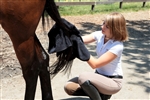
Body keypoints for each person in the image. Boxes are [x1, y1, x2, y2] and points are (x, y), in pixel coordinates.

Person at [64, 12, 128, 100]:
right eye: (103, 23)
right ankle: (101, 96)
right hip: (99, 78)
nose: (102, 27)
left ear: (115, 29)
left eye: (107, 26)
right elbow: (80, 40)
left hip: (113, 82)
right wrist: (67, 35)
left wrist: (83, 51)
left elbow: (95, 64)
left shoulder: (117, 46)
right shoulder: (100, 35)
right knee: (69, 86)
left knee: (83, 77)